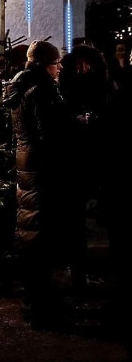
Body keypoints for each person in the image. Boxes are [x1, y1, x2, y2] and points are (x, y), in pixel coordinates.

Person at [2, 39, 75, 329]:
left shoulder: (19, 91)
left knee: (32, 236)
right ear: (45, 64)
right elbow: (52, 138)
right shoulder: (43, 92)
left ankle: (33, 303)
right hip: (43, 171)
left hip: (26, 168)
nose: (59, 68)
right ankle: (46, 308)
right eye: (56, 63)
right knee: (45, 237)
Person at [58, 43, 113, 294]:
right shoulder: (66, 87)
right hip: (75, 158)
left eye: (85, 63)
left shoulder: (103, 85)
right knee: (76, 218)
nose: (82, 68)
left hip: (96, 155)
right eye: (78, 64)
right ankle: (78, 273)